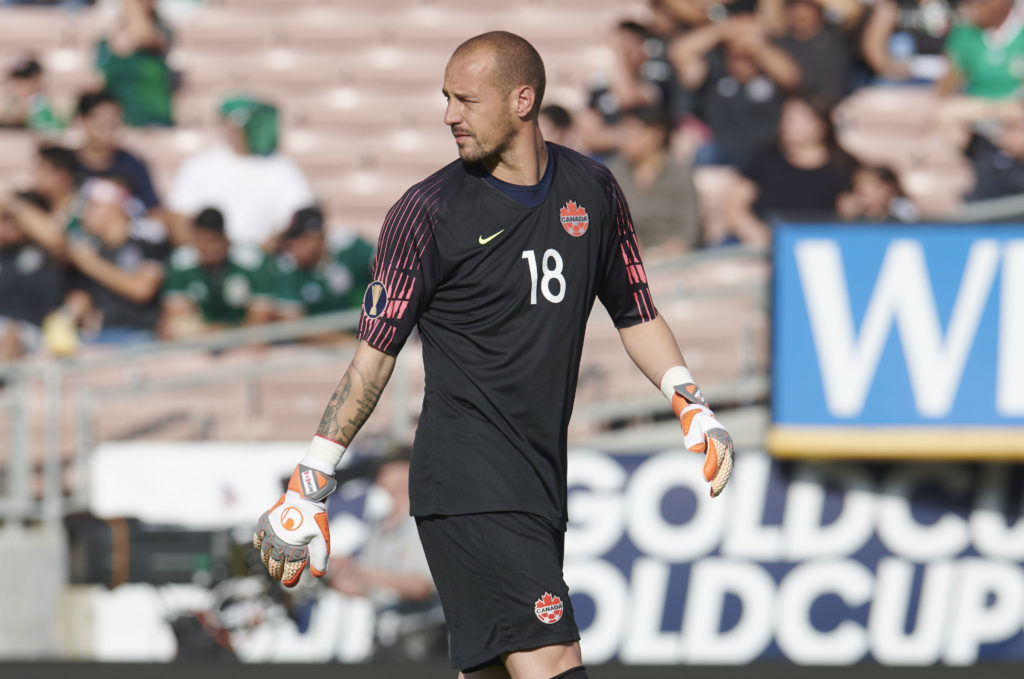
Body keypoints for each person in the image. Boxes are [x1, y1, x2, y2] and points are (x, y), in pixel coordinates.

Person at [252, 31, 734, 679]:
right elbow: (372, 360)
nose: (449, 114)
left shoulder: (593, 189)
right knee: (553, 659)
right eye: (446, 98)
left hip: (538, 479)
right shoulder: (425, 211)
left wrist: (691, 404)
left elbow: (636, 310)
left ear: (523, 100)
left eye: (466, 100)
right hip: (470, 477)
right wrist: (310, 484)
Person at [328, 448, 446, 663]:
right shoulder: (378, 525)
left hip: (426, 638)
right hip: (388, 639)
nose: (380, 479)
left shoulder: (427, 524)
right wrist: (331, 576)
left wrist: (360, 570)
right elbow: (374, 589)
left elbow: (421, 587)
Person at [166, 95, 315, 250]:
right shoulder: (199, 165)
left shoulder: (281, 167)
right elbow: (180, 218)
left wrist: (266, 249)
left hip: (259, 257)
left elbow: (299, 214)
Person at [669, 14, 802, 166]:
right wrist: (723, 29)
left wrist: (755, 45)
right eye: (734, 55)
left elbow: (792, 78)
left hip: (766, 150)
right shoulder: (716, 70)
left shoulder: (772, 76)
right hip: (718, 149)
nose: (739, 62)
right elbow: (680, 52)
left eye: (746, 56)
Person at [724, 94, 853, 244]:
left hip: (819, 248)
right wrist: (758, 235)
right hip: (764, 244)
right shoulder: (765, 157)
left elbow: (849, 214)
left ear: (820, 124)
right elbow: (735, 205)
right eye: (786, 117)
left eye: (796, 118)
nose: (787, 123)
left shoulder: (842, 166)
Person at [63, 177, 170, 344]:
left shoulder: (148, 238)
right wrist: (64, 318)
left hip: (139, 334)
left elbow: (142, 289)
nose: (84, 213)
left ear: (114, 207)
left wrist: (93, 265)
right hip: (100, 336)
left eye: (93, 206)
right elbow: (82, 297)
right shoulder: (92, 248)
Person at [159, 207, 274, 339]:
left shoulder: (252, 262)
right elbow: (175, 322)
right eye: (201, 241)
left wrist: (216, 331)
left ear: (225, 239)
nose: (207, 248)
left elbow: (260, 326)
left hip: (242, 343)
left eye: (212, 241)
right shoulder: (181, 263)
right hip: (200, 346)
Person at [607, 104, 702, 254]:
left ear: (656, 134)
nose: (623, 140)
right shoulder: (613, 173)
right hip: (628, 258)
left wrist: (666, 251)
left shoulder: (678, 173)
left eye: (630, 133)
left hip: (673, 259)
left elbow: (689, 229)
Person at [269, 205, 374, 322]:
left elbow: (390, 269)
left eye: (301, 240)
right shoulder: (288, 267)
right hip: (326, 339)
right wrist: (343, 339)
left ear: (319, 236)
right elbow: (292, 322)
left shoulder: (350, 247)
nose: (293, 248)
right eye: (290, 242)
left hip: (367, 329)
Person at [73, 90, 162, 216]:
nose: (109, 130)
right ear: (83, 121)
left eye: (114, 123)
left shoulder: (131, 164)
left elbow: (153, 210)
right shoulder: (66, 164)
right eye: (102, 124)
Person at [0, 191, 65, 361]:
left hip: (31, 332)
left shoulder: (48, 253)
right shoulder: (4, 253)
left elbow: (55, 239)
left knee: (10, 335)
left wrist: (13, 204)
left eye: (11, 218)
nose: (6, 225)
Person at [95, 0, 174, 127]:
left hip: (154, 121)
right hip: (120, 123)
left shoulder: (163, 30)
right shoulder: (106, 39)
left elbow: (143, 36)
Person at [940, 0, 1024, 100]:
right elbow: (947, 85)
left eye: (982, 2)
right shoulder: (965, 34)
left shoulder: (1020, 36)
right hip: (973, 108)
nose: (975, 6)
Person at [860, 0, 956, 83]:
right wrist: (888, 68)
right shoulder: (895, 4)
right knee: (901, 43)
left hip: (950, 77)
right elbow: (872, 45)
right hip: (903, 78)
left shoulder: (960, 5)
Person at [0, 55, 63, 132]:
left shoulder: (40, 104)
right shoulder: (16, 103)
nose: (15, 87)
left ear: (35, 80)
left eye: (21, 82)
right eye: (15, 81)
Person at [837, 164, 920, 221]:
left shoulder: (903, 211)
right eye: (857, 183)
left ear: (886, 189)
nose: (859, 189)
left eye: (867, 182)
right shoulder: (854, 217)